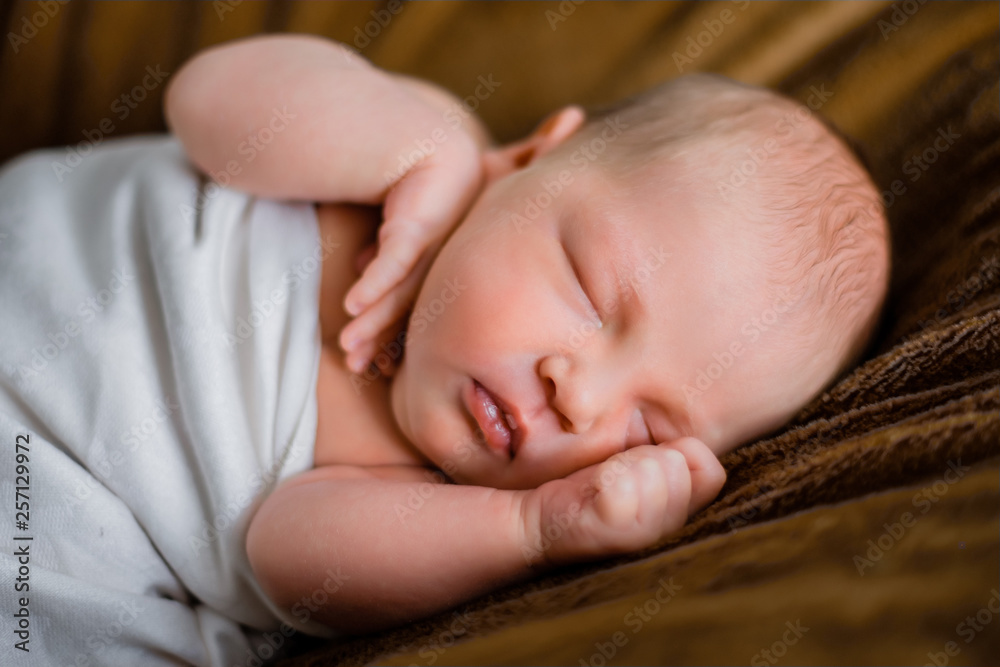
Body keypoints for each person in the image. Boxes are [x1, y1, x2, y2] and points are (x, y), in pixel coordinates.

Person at [171, 32, 888, 636]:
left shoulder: (432, 496)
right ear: (530, 158)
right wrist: (419, 153)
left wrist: (530, 529)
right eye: (588, 289)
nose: (579, 399)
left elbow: (286, 558)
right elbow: (203, 98)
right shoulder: (418, 146)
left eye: (646, 429)